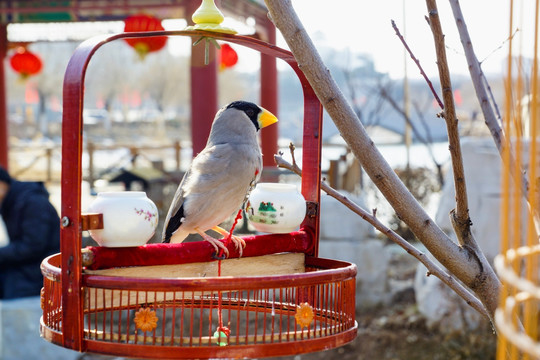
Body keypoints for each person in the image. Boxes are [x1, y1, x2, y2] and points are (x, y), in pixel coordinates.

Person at [0, 166, 60, 299]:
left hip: (43, 271)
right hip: (31, 266)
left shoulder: (33, 202)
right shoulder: (14, 200)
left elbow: (33, 246)